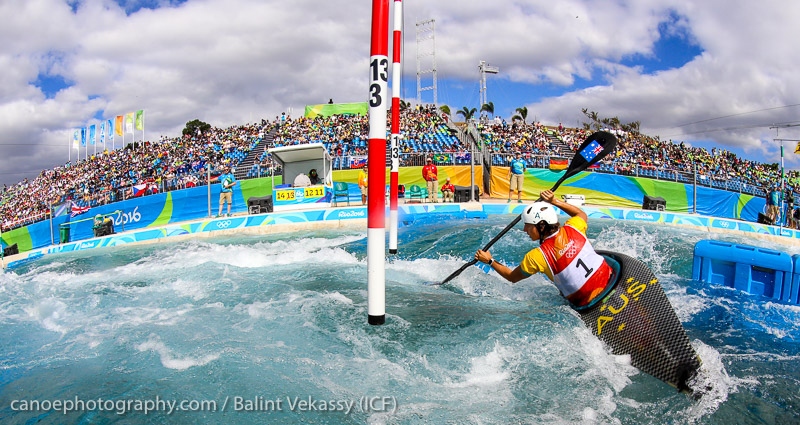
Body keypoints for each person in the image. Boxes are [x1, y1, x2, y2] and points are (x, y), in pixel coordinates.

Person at [475, 189, 616, 309]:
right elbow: (581, 214)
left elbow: (512, 277)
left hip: (586, 304)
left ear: (541, 226)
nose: (525, 230)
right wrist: (555, 201)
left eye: (528, 225)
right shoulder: (574, 227)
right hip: (610, 281)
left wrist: (490, 260)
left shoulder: (537, 256)